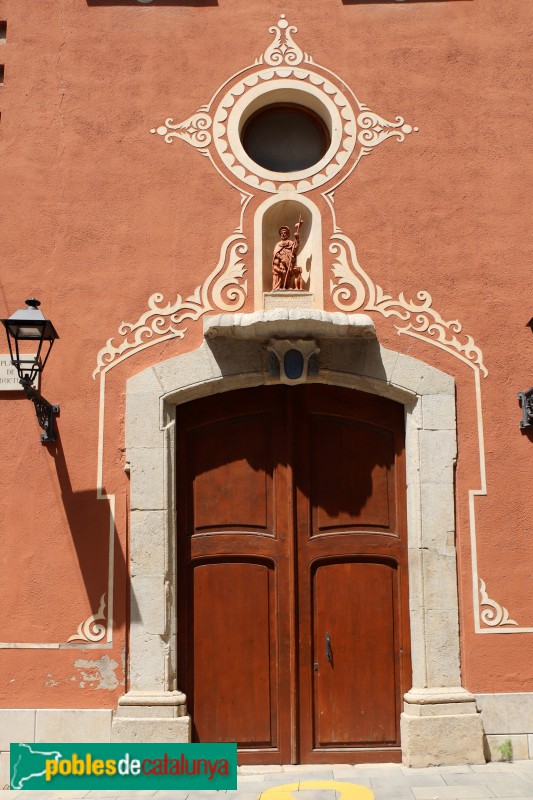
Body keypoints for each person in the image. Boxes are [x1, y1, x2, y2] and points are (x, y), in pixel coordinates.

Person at [271, 218, 303, 291]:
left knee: (289, 274)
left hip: (289, 260)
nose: (283, 234)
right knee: (283, 273)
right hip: (282, 261)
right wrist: (280, 258)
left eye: (285, 233)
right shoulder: (278, 244)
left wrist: (297, 238)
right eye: (281, 233)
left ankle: (288, 286)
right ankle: (281, 286)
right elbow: (275, 253)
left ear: (288, 234)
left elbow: (295, 249)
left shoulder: (291, 243)